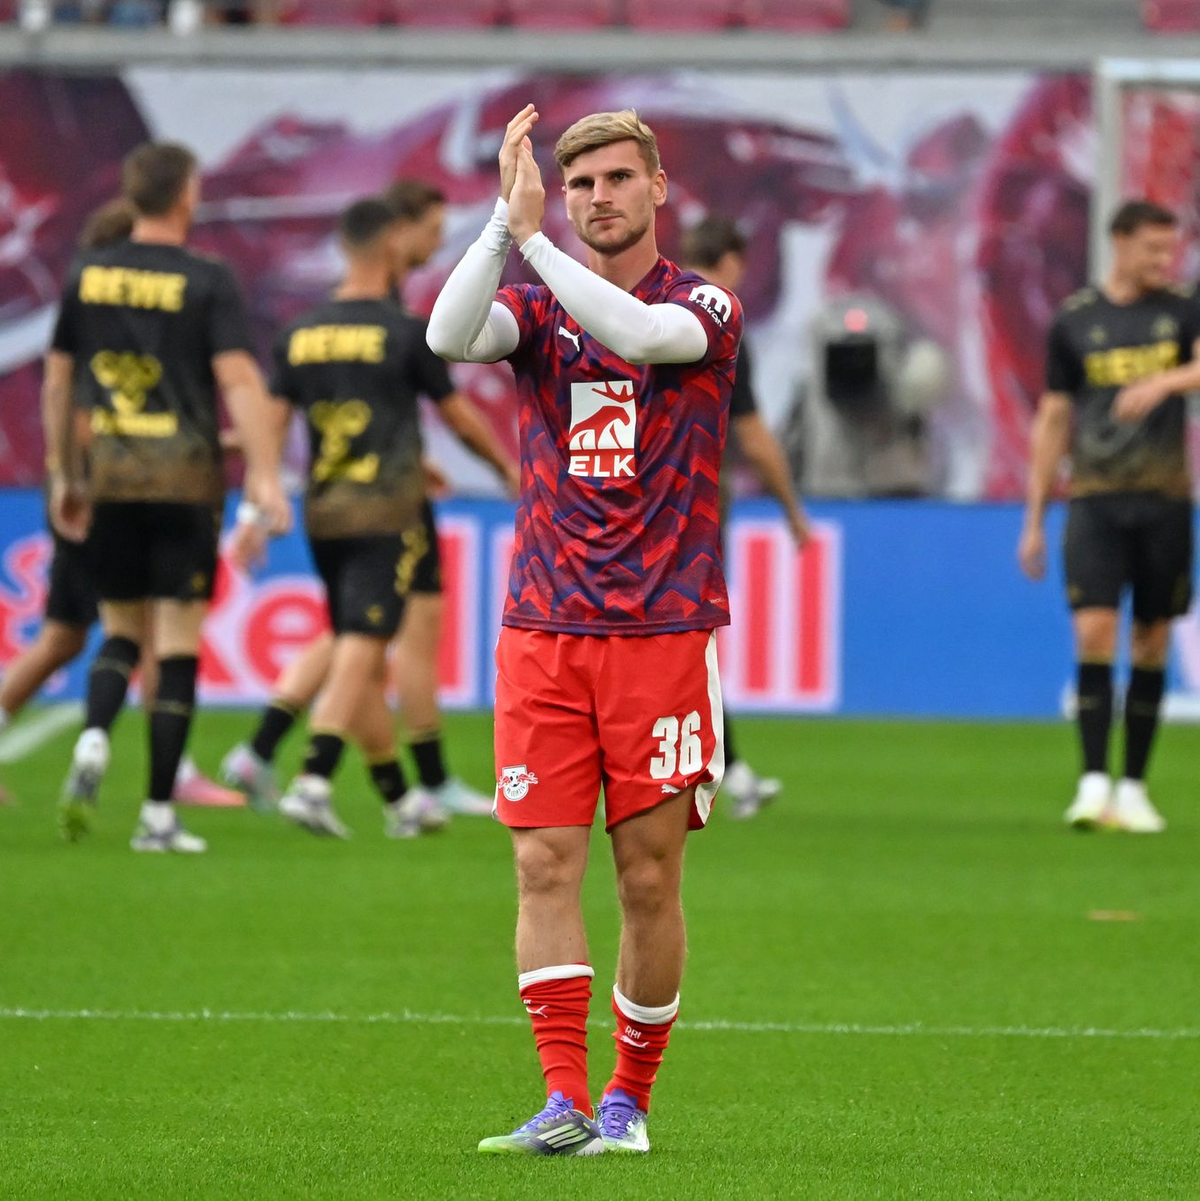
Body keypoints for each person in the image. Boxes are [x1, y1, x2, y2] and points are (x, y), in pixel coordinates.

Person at [427, 105, 742, 1155]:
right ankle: (563, 1099)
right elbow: (446, 335)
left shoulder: (704, 305)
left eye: (617, 179)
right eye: (580, 184)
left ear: (660, 187)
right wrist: (497, 228)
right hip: (543, 626)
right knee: (541, 866)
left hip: (660, 631)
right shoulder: (534, 305)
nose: (599, 197)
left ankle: (630, 1099)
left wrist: (538, 243)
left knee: (647, 875)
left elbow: (640, 335)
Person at [220, 182, 518, 825]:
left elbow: (268, 426)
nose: (432, 242)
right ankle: (315, 776)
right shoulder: (405, 332)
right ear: (392, 240)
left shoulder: (300, 333)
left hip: (327, 509)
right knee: (364, 640)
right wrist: (508, 470)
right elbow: (462, 417)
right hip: (390, 510)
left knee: (352, 635)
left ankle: (394, 792)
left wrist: (255, 503)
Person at [44, 141, 288, 853]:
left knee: (120, 632)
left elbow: (59, 382)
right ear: (187, 195)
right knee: (177, 645)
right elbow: (240, 379)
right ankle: (155, 814)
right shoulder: (206, 278)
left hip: (112, 478)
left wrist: (66, 474)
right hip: (186, 480)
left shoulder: (86, 274)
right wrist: (266, 474)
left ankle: (93, 735)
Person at [0, 199, 243, 814]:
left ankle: (157, 761)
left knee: (68, 637)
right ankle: (174, 774)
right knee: (149, 632)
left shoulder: (93, 305)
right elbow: (89, 416)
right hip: (105, 494)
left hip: (92, 492)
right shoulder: (117, 314)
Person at [1018, 200, 1200, 833]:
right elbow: (1054, 417)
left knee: (1151, 639)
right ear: (1119, 241)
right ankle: (1093, 784)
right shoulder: (1076, 320)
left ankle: (1136, 787)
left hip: (1166, 499)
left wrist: (1166, 383)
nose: (1163, 259)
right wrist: (1035, 516)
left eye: (1168, 248)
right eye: (1152, 247)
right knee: (1094, 633)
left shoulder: (1182, 310)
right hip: (1093, 498)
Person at [680, 215, 810, 819]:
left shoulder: (644, 307)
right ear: (732, 260)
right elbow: (754, 436)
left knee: (672, 635)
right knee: (685, 633)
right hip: (695, 498)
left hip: (622, 497)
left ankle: (729, 768)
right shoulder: (722, 321)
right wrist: (792, 511)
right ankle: (722, 770)